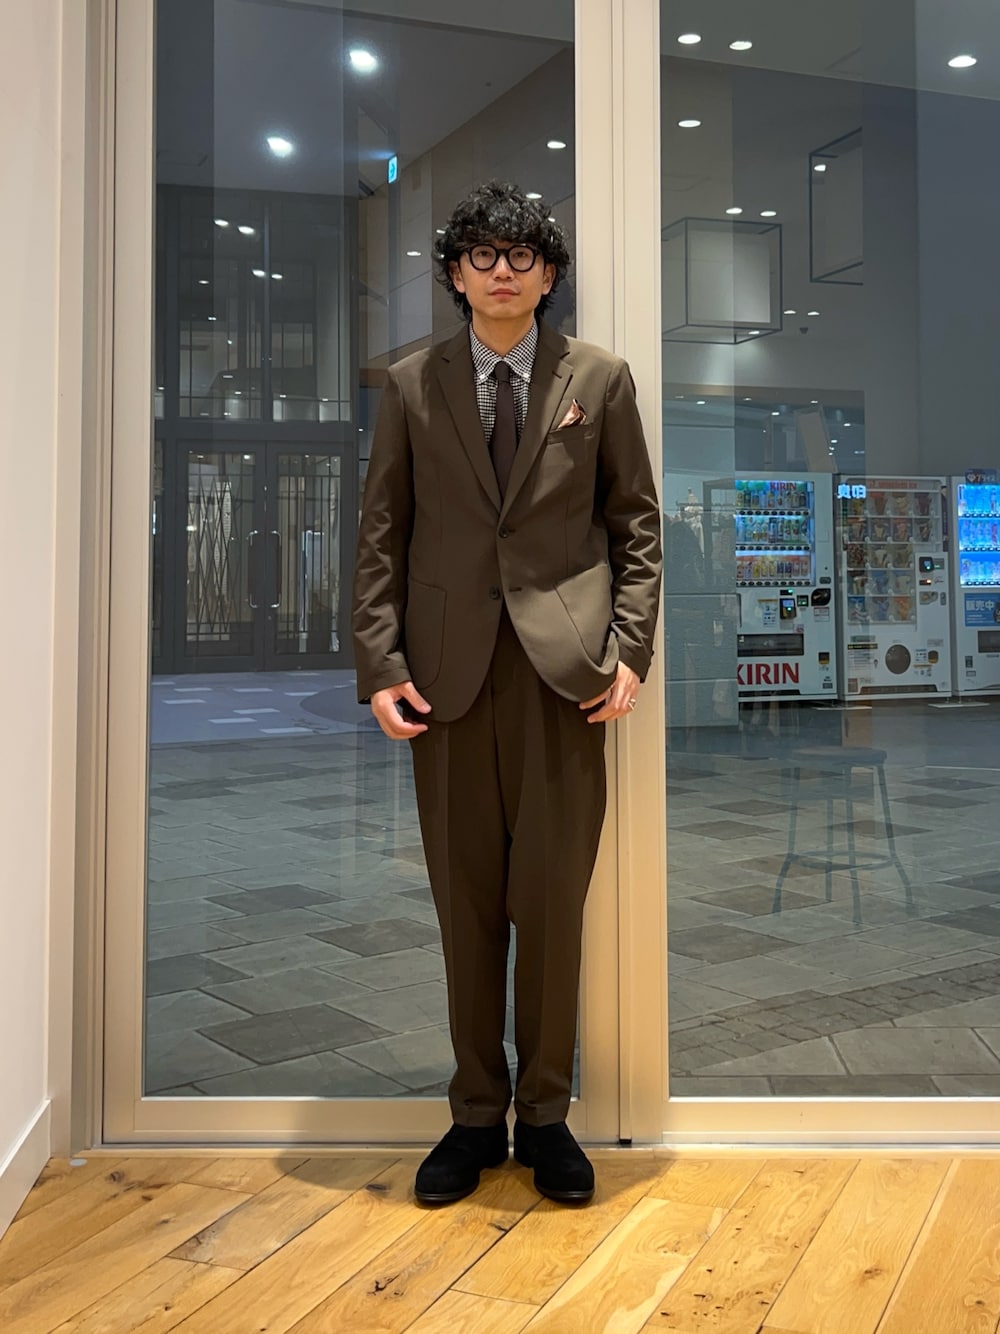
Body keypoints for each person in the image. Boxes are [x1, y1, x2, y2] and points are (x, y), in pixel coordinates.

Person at [352, 180, 662, 1206]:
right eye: (481, 256)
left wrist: (629, 651)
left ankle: (548, 1116)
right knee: (467, 907)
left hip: (564, 680)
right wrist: (381, 664)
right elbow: (381, 535)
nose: (501, 272)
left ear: (548, 274)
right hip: (446, 683)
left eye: (520, 256)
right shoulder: (411, 383)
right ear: (454, 273)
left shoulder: (598, 379)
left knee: (553, 907)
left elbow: (636, 526)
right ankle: (475, 1115)